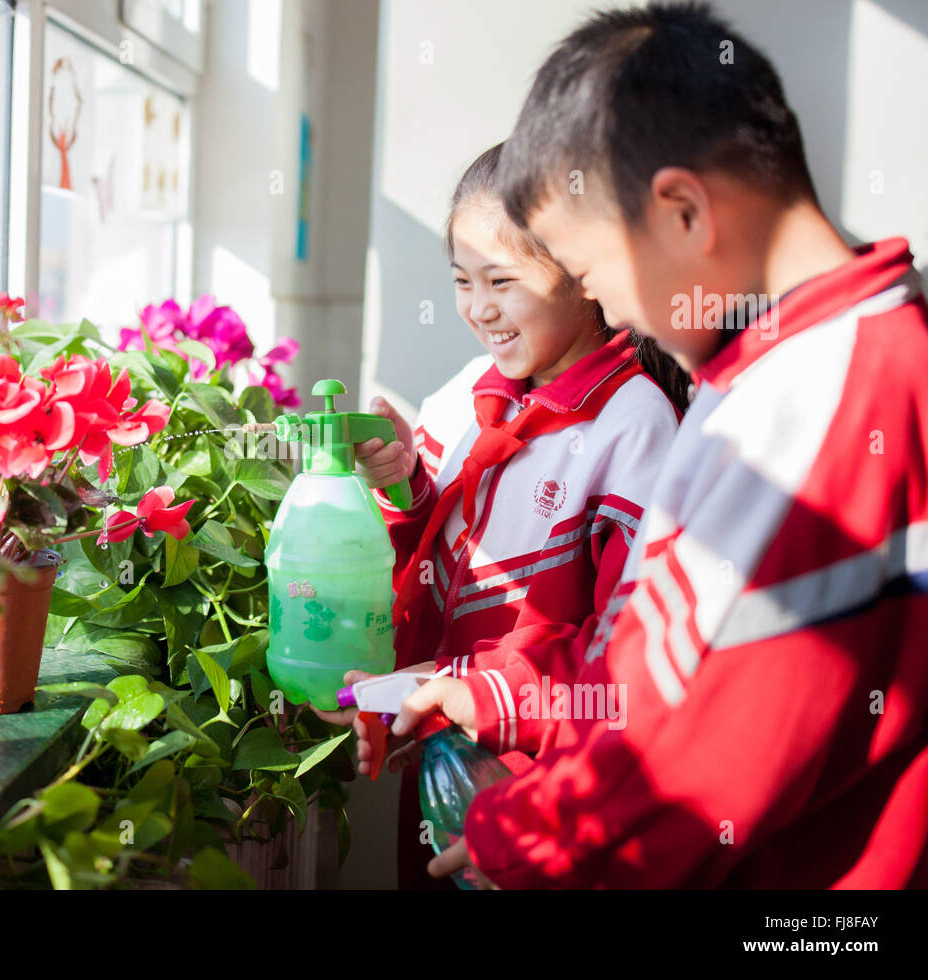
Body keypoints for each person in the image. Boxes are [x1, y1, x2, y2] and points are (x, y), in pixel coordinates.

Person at [404, 1, 928, 888]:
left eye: (598, 272)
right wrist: (502, 690)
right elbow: (656, 652)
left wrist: (524, 842)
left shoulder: (832, 390)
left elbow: (701, 754)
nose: (614, 312)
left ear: (683, 209)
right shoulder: (766, 373)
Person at [318, 142, 688, 888]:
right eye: (461, 281)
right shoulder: (464, 394)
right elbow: (436, 556)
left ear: (583, 276)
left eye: (503, 281)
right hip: (445, 759)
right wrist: (404, 483)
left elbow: (629, 649)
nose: (479, 308)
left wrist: (478, 689)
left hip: (552, 781)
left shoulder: (634, 424)